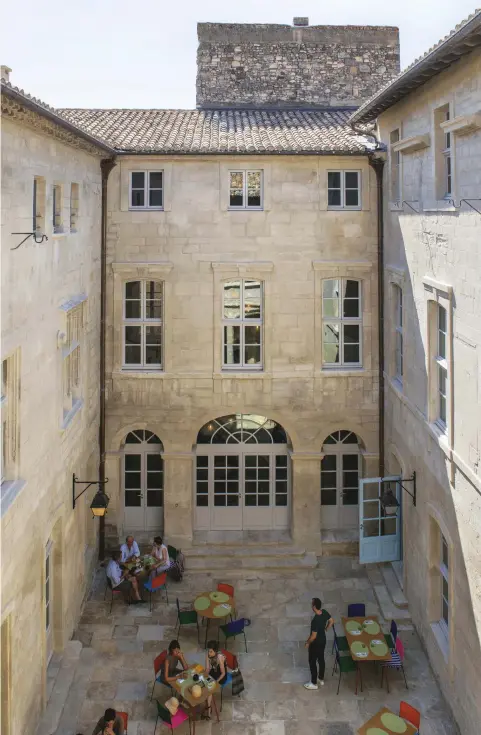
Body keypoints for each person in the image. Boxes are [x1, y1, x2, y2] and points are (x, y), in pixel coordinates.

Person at [304, 597, 334, 690]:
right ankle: (321, 678)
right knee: (321, 659)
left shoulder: (315, 621)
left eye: (312, 604)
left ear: (314, 607)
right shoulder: (324, 612)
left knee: (312, 662)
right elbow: (332, 621)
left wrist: (307, 643)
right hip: (323, 641)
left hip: (315, 644)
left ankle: (313, 683)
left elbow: (313, 636)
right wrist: (326, 628)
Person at [202, 640, 227, 719]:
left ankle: (208, 710)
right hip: (213, 673)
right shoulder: (208, 656)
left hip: (221, 676)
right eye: (208, 651)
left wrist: (216, 682)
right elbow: (207, 669)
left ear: (215, 651)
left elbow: (223, 673)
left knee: (210, 688)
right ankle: (208, 708)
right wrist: (204, 676)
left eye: (211, 651)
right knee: (206, 685)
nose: (209, 653)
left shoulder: (220, 657)